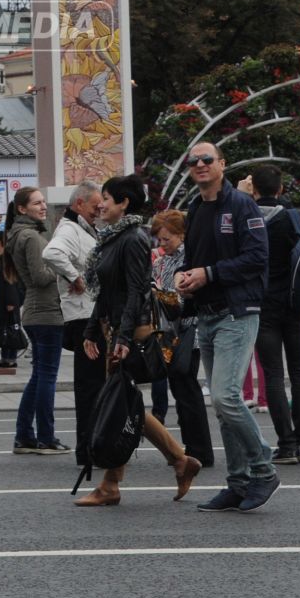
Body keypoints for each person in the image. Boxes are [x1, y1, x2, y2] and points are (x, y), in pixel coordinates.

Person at [74, 173, 201, 507]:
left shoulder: (133, 239)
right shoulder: (113, 238)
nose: (99, 203)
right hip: (114, 329)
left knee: (120, 403)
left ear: (124, 203)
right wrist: (91, 330)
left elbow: (137, 292)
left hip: (131, 331)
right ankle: (178, 460)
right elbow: (107, 292)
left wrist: (124, 337)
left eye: (106, 197)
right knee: (125, 402)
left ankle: (111, 484)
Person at [176, 143, 279, 511]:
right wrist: (185, 275)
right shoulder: (196, 207)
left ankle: (263, 470)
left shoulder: (241, 205)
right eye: (194, 161)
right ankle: (237, 483)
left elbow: (257, 257)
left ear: (222, 164)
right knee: (221, 406)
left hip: (237, 311)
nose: (200, 165)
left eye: (208, 159)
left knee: (226, 397)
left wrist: (210, 273)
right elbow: (195, 259)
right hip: (206, 314)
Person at [250, 165, 300, 465]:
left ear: (254, 189)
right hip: (296, 301)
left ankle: (286, 443)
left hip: (263, 303)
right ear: (281, 188)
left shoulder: (247, 217)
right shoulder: (294, 216)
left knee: (273, 375)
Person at [149, 209, 213, 467]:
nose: (162, 245)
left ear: (182, 234)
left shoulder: (191, 257)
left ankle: (200, 449)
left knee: (187, 386)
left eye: (167, 239)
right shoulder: (160, 261)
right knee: (179, 386)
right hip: (169, 331)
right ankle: (190, 446)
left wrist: (167, 297)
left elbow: (186, 293)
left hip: (190, 329)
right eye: (159, 240)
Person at [7, 186, 68, 455]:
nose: (43, 207)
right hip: (45, 311)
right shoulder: (31, 236)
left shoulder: (21, 234)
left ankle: (25, 436)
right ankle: (46, 437)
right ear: (22, 209)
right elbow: (40, 277)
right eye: (37, 203)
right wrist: (68, 269)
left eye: (44, 202)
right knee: (47, 376)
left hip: (36, 311)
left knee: (39, 376)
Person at [44, 180, 100, 465]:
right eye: (94, 207)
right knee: (89, 387)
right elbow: (51, 253)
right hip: (82, 317)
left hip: (88, 314)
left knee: (95, 386)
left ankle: (94, 446)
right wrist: (73, 277)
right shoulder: (69, 228)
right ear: (79, 204)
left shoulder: (81, 227)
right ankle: (88, 449)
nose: (98, 211)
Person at [0, 227, 24, 367]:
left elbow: (11, 280)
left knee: (10, 328)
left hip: (8, 300)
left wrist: (11, 301)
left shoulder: (7, 259)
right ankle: (4, 357)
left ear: (0, 242)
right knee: (4, 328)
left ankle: (11, 358)